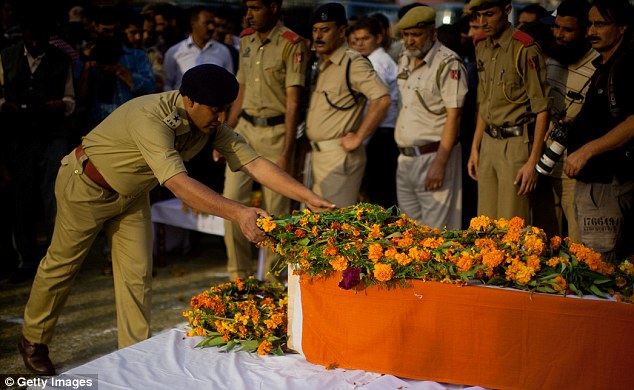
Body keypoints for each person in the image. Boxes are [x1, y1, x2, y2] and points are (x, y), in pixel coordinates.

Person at [17, 64, 335, 376]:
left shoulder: (210, 124)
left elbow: (253, 162)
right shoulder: (152, 118)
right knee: (62, 265)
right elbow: (180, 185)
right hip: (86, 186)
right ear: (190, 100)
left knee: (137, 276)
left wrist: (307, 196)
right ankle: (33, 340)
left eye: (225, 109)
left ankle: (133, 354)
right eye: (215, 110)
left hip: (132, 195)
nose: (221, 118)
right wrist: (239, 212)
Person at [223, 0, 308, 279]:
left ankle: (273, 281)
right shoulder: (246, 40)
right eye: (246, 8)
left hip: (276, 133)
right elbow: (241, 88)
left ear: (273, 7)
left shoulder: (291, 44)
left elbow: (294, 102)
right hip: (244, 131)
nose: (249, 14)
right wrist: (225, 131)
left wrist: (287, 151)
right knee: (232, 203)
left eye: (256, 8)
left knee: (277, 212)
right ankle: (239, 278)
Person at [0, 14, 75, 283]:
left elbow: (70, 99)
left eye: (39, 39)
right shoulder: (7, 56)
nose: (33, 43)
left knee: (55, 199)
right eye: (29, 38)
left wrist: (61, 105)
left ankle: (57, 262)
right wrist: (5, 106)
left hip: (52, 134)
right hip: (18, 137)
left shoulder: (61, 58)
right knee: (21, 200)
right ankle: (27, 261)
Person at [466, 0, 551, 221]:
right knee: (483, 224)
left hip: (516, 144)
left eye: (489, 14)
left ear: (506, 11)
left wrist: (533, 161)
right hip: (488, 142)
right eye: (479, 15)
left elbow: (542, 108)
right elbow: (484, 103)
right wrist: (475, 148)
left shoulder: (524, 48)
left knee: (511, 225)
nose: (483, 22)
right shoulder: (481, 45)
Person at [564, 0, 634, 263]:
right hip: (594, 184)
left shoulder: (626, 65)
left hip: (607, 185)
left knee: (602, 269)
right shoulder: (606, 64)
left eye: (601, 24)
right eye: (590, 24)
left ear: (623, 27)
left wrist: (587, 150)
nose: (591, 30)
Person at [305, 3, 391, 207]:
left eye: (325, 30)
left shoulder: (353, 62)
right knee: (317, 225)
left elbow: (382, 99)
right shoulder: (323, 62)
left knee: (334, 227)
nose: (318, 36)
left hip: (339, 155)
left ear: (342, 31)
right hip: (318, 155)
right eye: (315, 30)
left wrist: (359, 137)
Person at [393, 6, 468, 229]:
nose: (410, 41)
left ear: (432, 33)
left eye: (416, 34)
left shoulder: (447, 63)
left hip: (434, 155)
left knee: (436, 235)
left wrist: (440, 163)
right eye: (406, 35)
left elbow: (454, 116)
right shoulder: (404, 59)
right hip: (405, 158)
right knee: (409, 232)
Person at [533, 0, 597, 242]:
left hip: (575, 170)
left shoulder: (597, 67)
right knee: (544, 242)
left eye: (568, 30)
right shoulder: (552, 61)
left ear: (585, 32)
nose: (559, 35)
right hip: (544, 166)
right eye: (556, 28)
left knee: (578, 245)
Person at [349, 16, 399, 209]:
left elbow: (378, 103)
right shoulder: (376, 60)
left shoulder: (376, 63)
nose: (360, 44)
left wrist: (361, 139)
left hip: (380, 135)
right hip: (381, 134)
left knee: (380, 199)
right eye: (355, 40)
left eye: (364, 39)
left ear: (378, 38)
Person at [163, 6, 234, 91]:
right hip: (180, 103)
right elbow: (167, 84)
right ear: (193, 23)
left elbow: (230, 83)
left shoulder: (223, 51)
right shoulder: (174, 52)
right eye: (207, 23)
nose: (211, 27)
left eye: (213, 23)